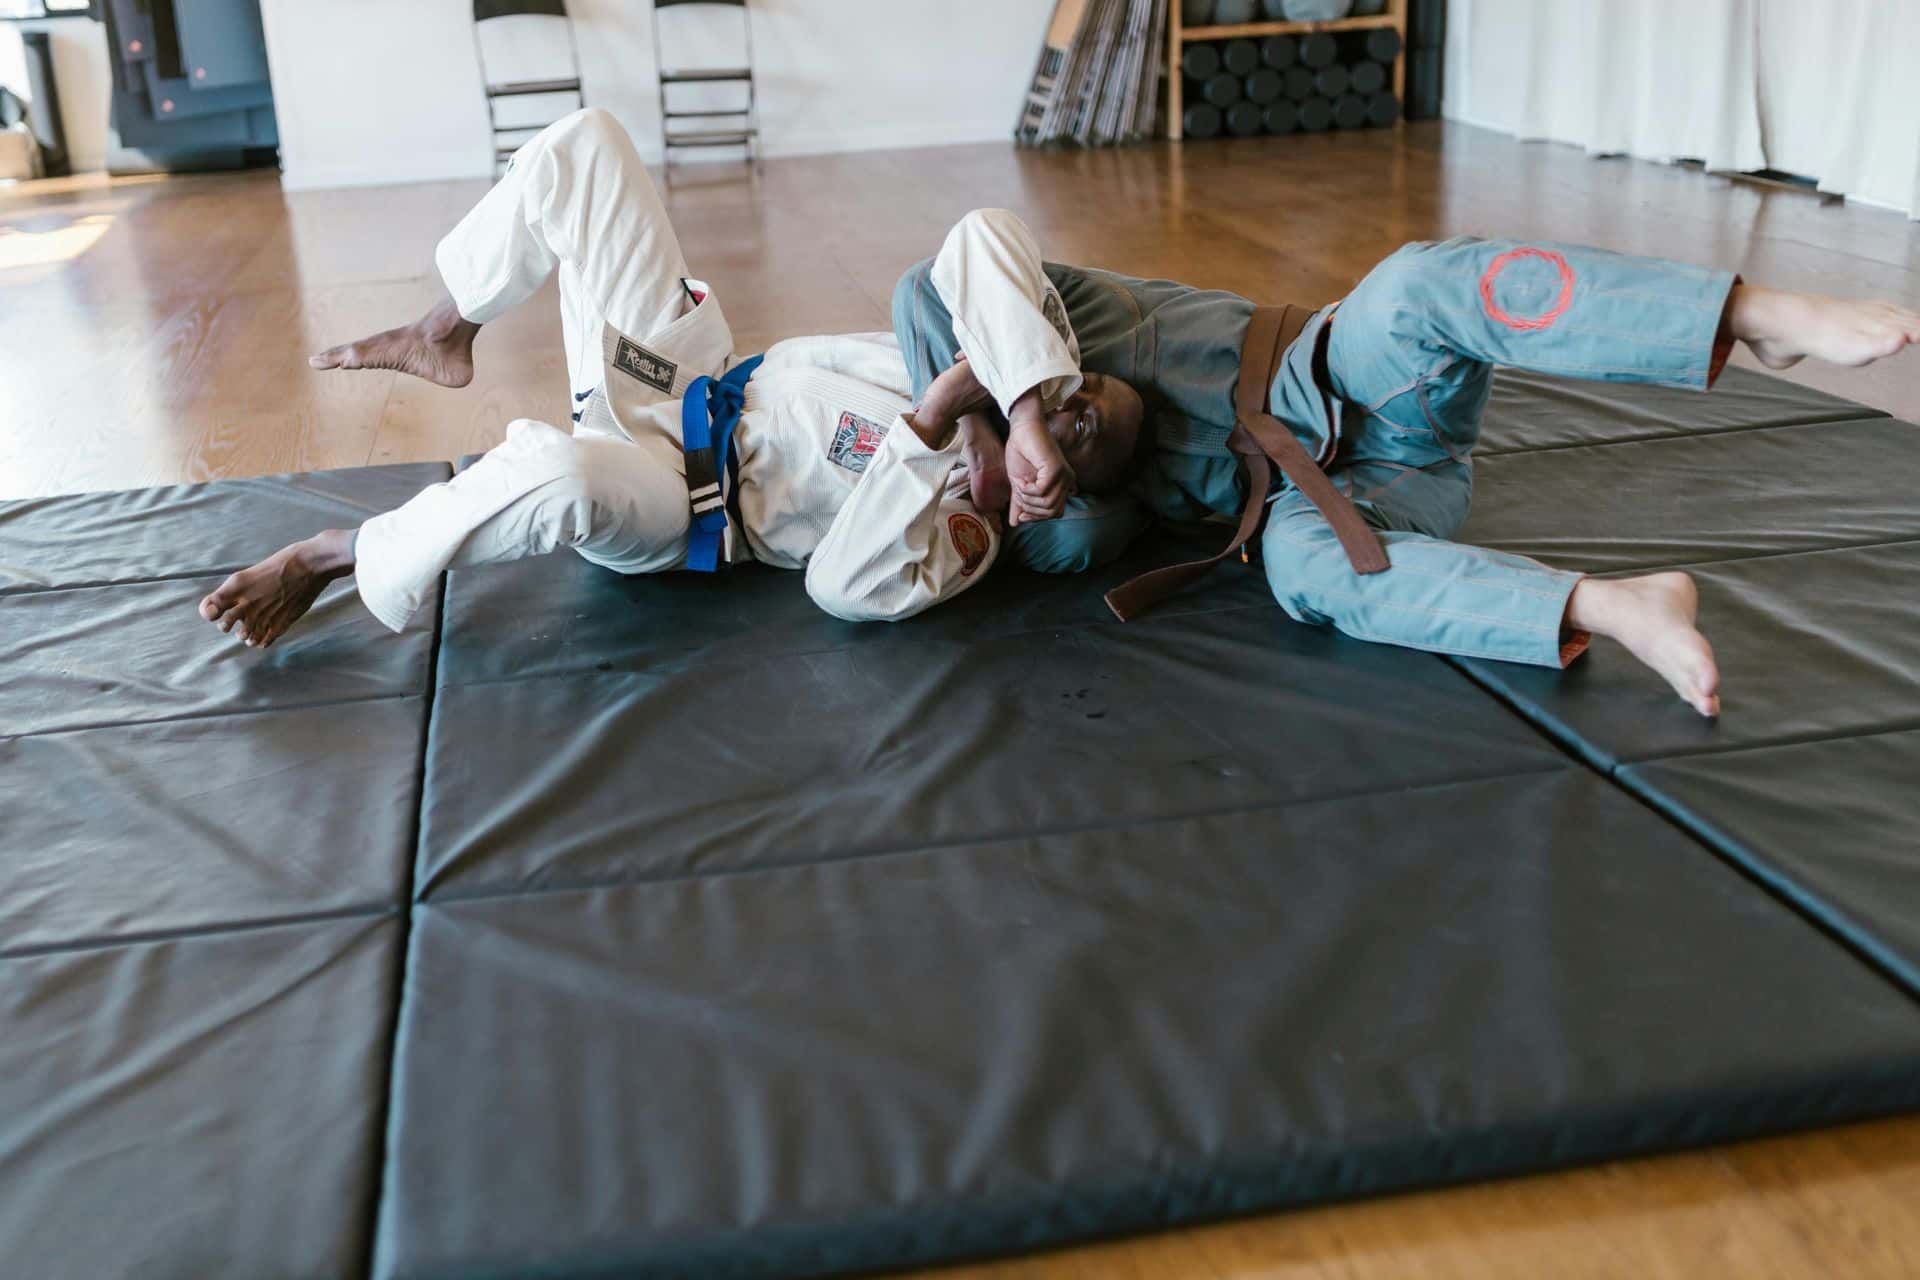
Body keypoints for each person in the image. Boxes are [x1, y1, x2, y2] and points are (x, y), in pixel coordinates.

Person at [892, 208, 1920, 718]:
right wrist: (1007, 466)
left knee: (1417, 286)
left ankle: (1756, 317)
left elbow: (941, 266)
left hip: (1339, 371)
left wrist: (1002, 413)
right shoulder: (1095, 516)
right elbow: (1052, 545)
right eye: (1073, 437)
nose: (1072, 412)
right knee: (1306, 576)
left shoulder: (1072, 314)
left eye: (1058, 395)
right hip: (1331, 497)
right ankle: (1619, 605)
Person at [196, 109, 1143, 647]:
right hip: (687, 378)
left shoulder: (967, 529)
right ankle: (444, 329)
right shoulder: (1008, 358)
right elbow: (984, 234)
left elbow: (845, 589)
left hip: (681, 506)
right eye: (1089, 389)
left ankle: (331, 554)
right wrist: (1017, 401)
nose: (1083, 405)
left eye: (1089, 431)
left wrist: (938, 417)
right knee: (587, 146)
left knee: (562, 478)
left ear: (1062, 498)